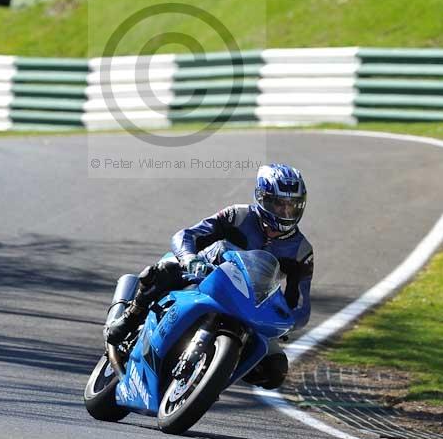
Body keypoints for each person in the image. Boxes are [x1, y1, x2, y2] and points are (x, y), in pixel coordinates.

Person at [106, 163, 313, 390]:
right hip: (203, 276)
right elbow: (186, 235)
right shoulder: (237, 215)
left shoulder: (301, 251)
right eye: (279, 204)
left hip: (249, 307)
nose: (285, 212)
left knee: (275, 370)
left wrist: (282, 324)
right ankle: (130, 316)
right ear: (262, 198)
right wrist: (189, 259)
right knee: (164, 270)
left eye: (292, 206)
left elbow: (300, 307)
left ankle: (214, 378)